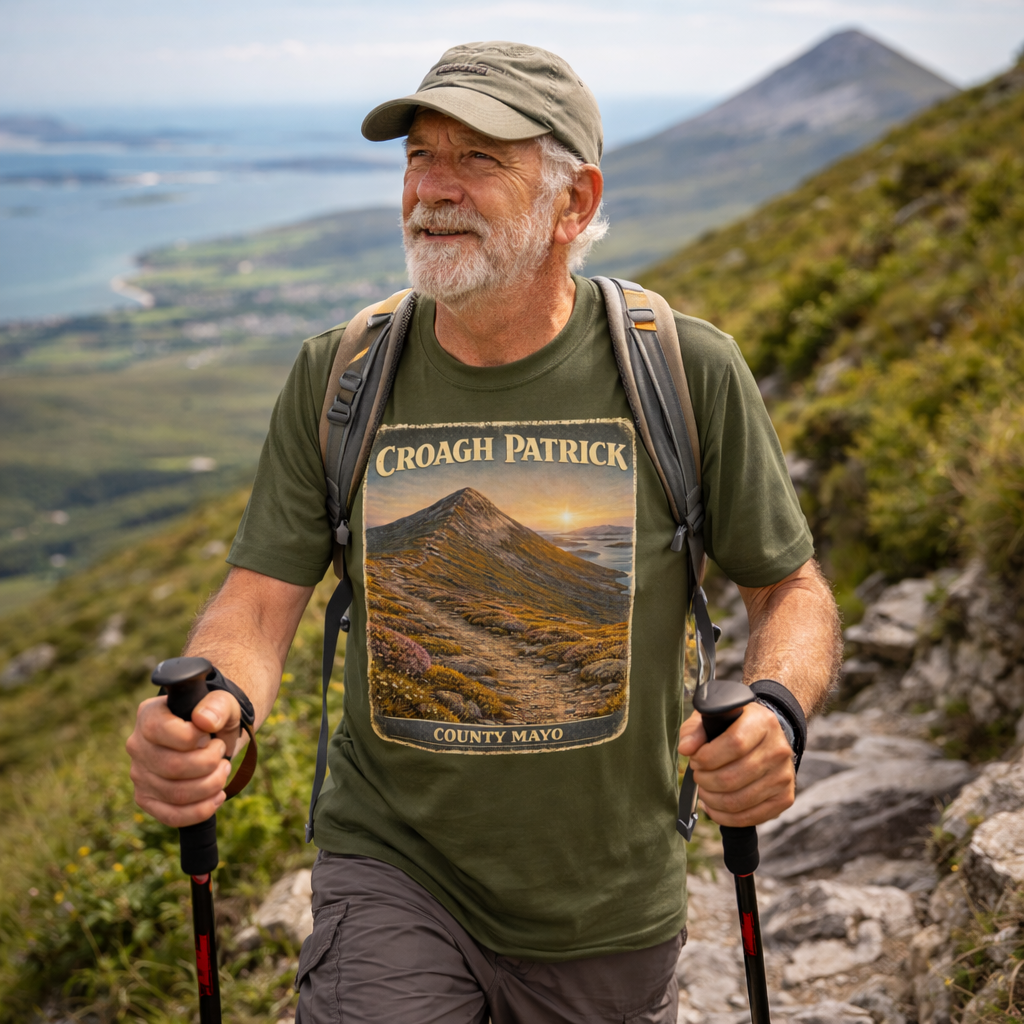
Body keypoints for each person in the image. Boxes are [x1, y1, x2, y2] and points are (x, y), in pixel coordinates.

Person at [127, 41, 842, 1024]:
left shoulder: (685, 372)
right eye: (419, 156)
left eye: (478, 159)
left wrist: (776, 709)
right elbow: (256, 601)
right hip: (393, 865)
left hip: (606, 904)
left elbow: (788, 590)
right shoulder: (340, 378)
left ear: (573, 203)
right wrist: (215, 710)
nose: (431, 189)